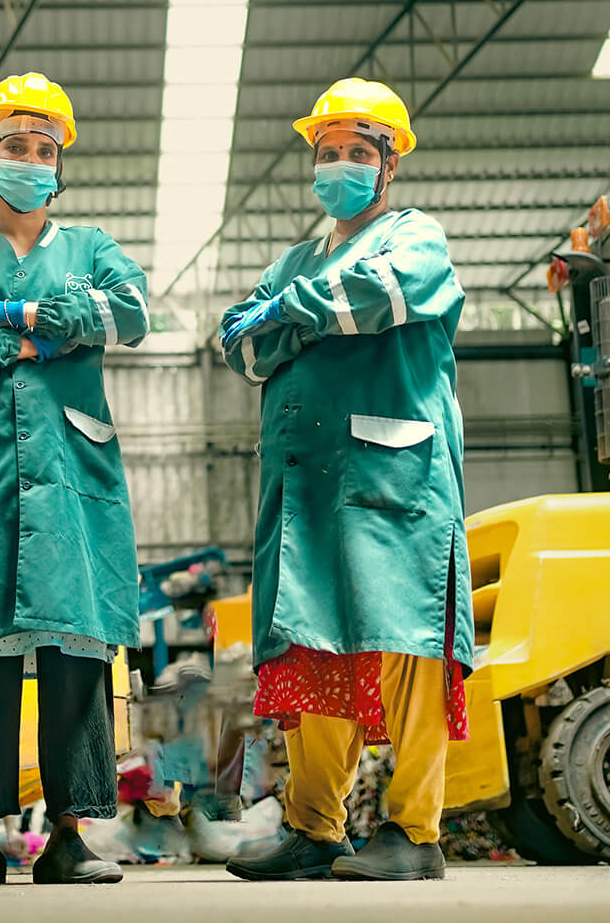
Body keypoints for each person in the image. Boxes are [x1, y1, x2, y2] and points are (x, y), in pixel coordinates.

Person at [217, 78, 472, 882]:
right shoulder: (297, 259)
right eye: (328, 152)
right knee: (312, 646)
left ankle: (415, 833)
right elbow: (240, 347)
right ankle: (314, 829)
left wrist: (288, 314)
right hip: (309, 489)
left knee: (407, 645)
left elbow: (384, 294)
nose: (340, 165)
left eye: (358, 151)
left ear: (389, 164)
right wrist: (303, 315)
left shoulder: (416, 237)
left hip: (395, 479)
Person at [0, 72, 149, 886]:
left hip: (70, 469)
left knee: (75, 646)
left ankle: (70, 836)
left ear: (59, 165)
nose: (31, 160)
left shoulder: (92, 248)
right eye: (16, 146)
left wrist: (13, 316)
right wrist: (36, 339)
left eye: (45, 149)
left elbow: (131, 313)